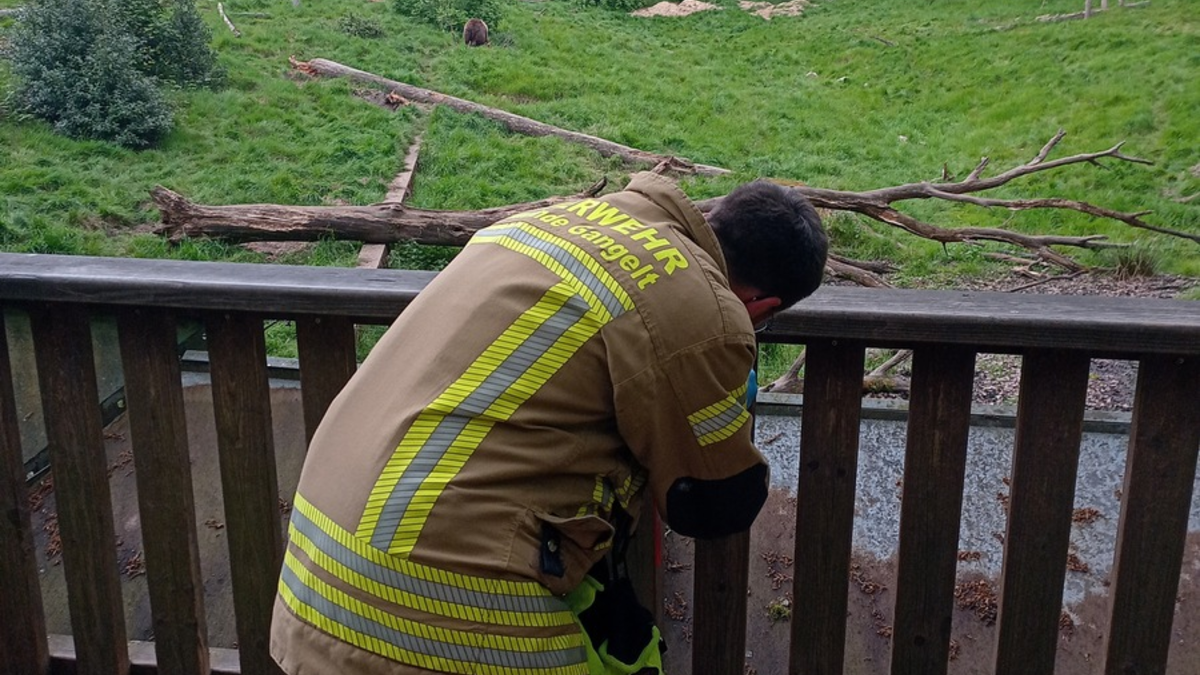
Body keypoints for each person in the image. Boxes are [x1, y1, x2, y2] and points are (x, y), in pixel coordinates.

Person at [270, 171, 828, 675]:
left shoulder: (552, 220)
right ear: (762, 306)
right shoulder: (701, 307)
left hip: (319, 560)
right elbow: (709, 503)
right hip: (431, 595)